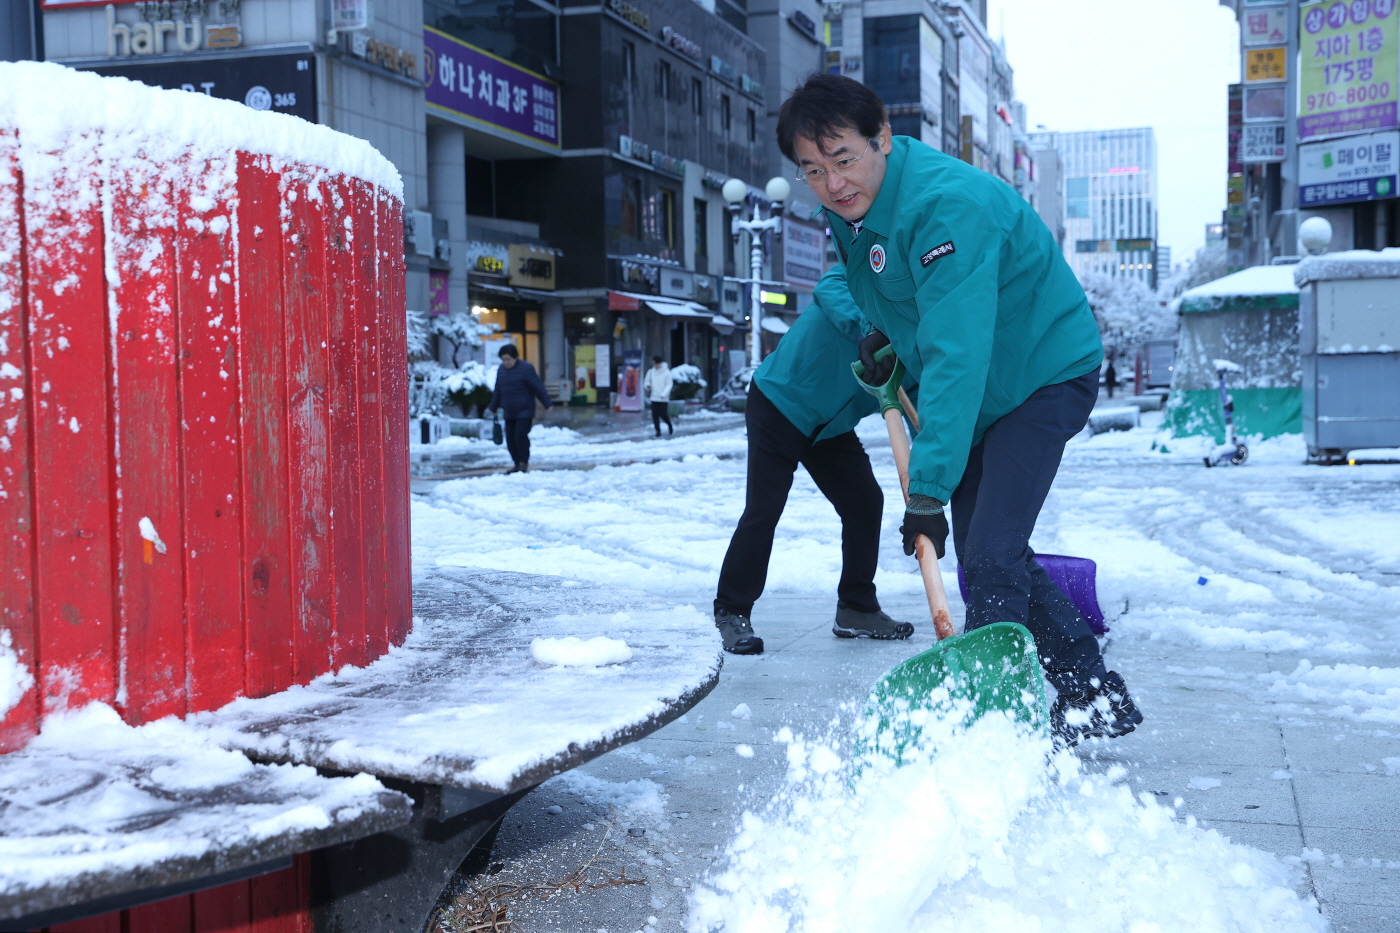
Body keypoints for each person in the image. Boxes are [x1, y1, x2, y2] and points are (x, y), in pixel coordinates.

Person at [778, 73, 1142, 746]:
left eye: (844, 159)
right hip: (984, 390)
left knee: (991, 552)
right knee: (988, 551)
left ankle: (996, 729)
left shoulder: (947, 208)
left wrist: (928, 490)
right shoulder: (857, 214)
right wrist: (881, 341)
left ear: (882, 138)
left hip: (1042, 373)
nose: (832, 183)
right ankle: (1092, 693)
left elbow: (958, 353)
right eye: (812, 170)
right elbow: (897, 303)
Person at [713, 263, 912, 655]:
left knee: (865, 503)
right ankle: (731, 610)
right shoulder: (869, 271)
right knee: (765, 507)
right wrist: (867, 329)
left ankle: (856, 607)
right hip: (780, 402)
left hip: (829, 430)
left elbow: (922, 405)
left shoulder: (919, 329)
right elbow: (832, 285)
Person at [488, 344, 552, 474]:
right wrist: (493, 406)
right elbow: (498, 389)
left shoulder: (526, 368)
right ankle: (516, 463)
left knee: (520, 435)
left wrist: (547, 403)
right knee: (510, 438)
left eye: (508, 359)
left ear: (515, 357)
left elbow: (537, 386)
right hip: (509, 410)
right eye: (503, 360)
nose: (506, 362)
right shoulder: (501, 370)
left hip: (525, 409)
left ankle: (523, 463)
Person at [643, 357, 674, 437]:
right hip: (654, 397)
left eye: (656, 363)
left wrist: (664, 394)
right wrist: (647, 386)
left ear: (660, 363)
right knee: (655, 415)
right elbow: (647, 381)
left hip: (663, 398)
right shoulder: (651, 371)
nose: (654, 365)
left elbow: (669, 385)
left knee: (663, 414)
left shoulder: (667, 373)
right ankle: (658, 431)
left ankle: (669, 425)